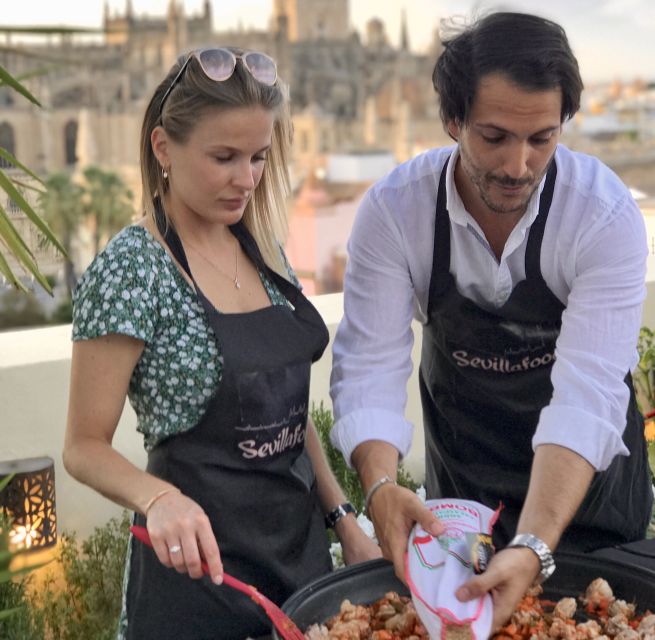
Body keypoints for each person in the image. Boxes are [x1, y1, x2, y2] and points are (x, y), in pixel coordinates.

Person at [329, 11, 653, 630]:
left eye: (542, 138)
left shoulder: (602, 215)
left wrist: (533, 545)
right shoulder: (397, 212)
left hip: (590, 504)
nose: (519, 165)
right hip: (465, 498)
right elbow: (370, 364)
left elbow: (587, 396)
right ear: (453, 121)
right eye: (494, 137)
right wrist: (379, 487)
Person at [63, 47, 379, 640]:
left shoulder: (262, 248)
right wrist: (158, 499)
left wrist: (345, 520)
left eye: (259, 157)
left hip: (302, 568)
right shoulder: (133, 270)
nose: (247, 178)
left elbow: (284, 413)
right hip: (198, 583)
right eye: (224, 157)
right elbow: (82, 446)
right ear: (164, 148)